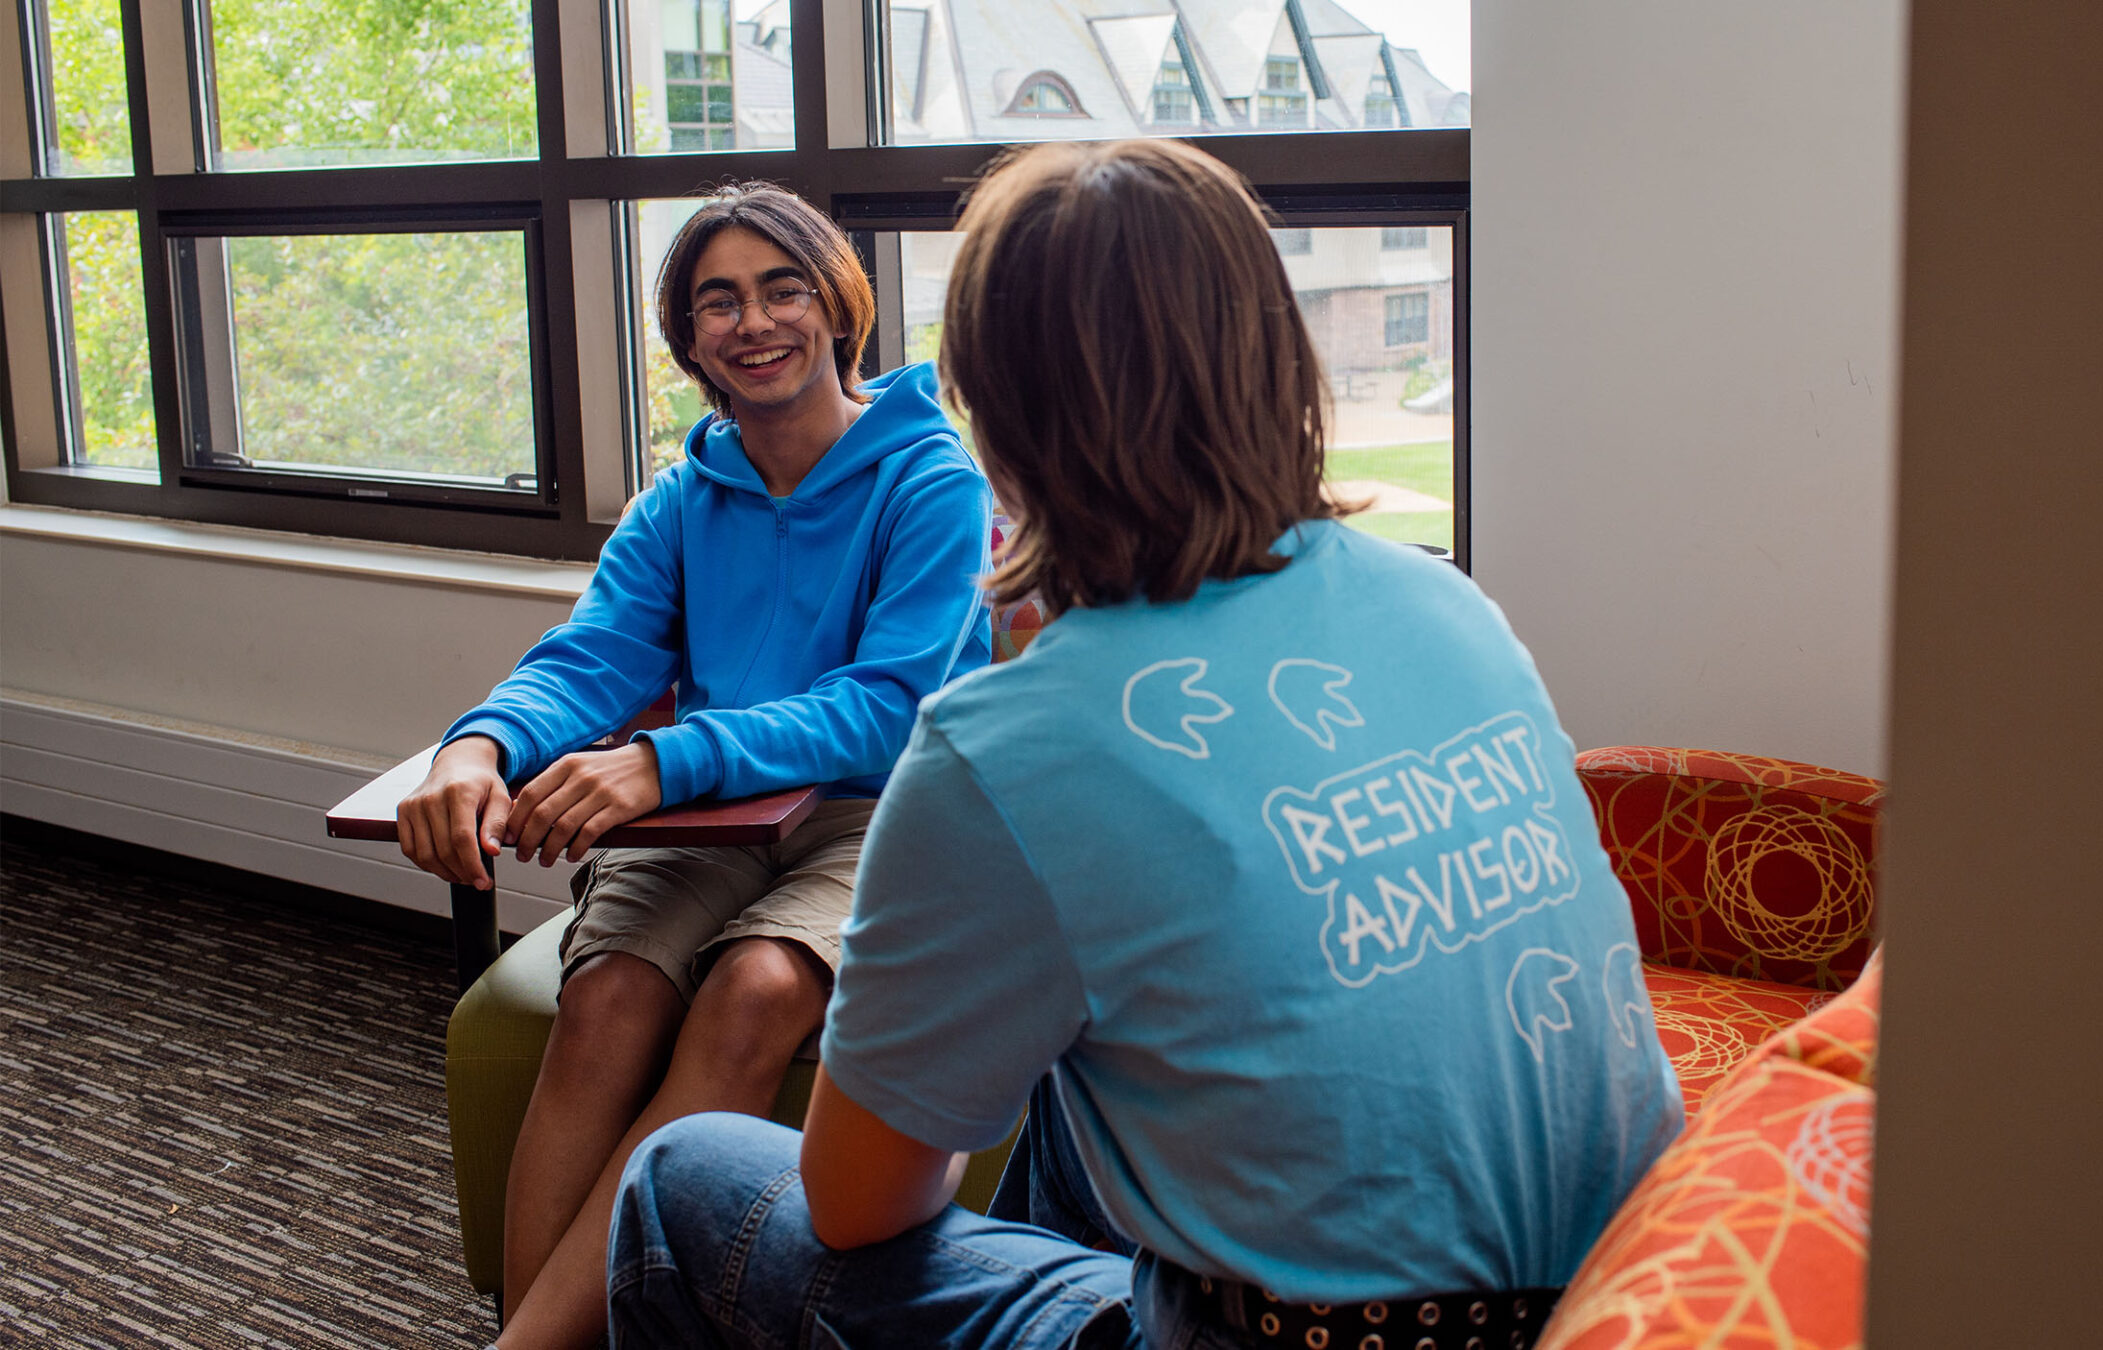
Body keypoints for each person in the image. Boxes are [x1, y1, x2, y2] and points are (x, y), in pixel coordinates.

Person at [607, 141, 1681, 1350]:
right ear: (1278, 355)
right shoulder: (1447, 607)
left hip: (1289, 1334)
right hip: (1616, 1288)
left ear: (999, 415)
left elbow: (859, 1210)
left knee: (683, 1179)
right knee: (1086, 1071)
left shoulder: (1010, 746)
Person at [393, 182, 992, 1350]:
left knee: (755, 991)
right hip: (717, 814)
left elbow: (887, 706)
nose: (753, 322)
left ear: (837, 306)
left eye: (783, 289)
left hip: (883, 810)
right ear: (688, 339)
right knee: (608, 996)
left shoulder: (932, 479)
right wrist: (478, 745)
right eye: (718, 301)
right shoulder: (681, 498)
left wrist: (667, 761)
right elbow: (590, 659)